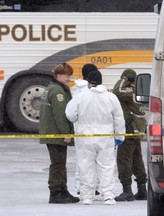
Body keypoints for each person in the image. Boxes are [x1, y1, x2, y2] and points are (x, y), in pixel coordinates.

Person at [65, 70, 125, 205]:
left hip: (85, 136)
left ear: (88, 82)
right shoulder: (111, 97)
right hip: (106, 136)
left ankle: (87, 196)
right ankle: (108, 195)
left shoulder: (81, 96)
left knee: (86, 166)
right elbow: (119, 118)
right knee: (107, 166)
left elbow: (70, 115)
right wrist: (120, 136)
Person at [39, 62, 80, 204]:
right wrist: (66, 133)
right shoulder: (57, 91)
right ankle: (55, 192)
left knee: (60, 162)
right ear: (59, 75)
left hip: (51, 132)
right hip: (56, 133)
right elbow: (60, 114)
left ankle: (63, 190)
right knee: (57, 163)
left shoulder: (51, 88)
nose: (69, 78)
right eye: (67, 75)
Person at [112, 68, 147, 201]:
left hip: (130, 129)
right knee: (137, 160)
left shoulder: (129, 92)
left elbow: (116, 91)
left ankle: (127, 190)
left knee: (123, 159)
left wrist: (124, 79)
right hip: (136, 130)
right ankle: (142, 188)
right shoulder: (137, 91)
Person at [72, 63, 101, 199]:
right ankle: (93, 187)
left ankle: (81, 187)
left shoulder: (78, 91)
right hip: (99, 130)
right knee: (98, 160)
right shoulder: (97, 92)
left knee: (82, 160)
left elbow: (71, 113)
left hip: (81, 130)